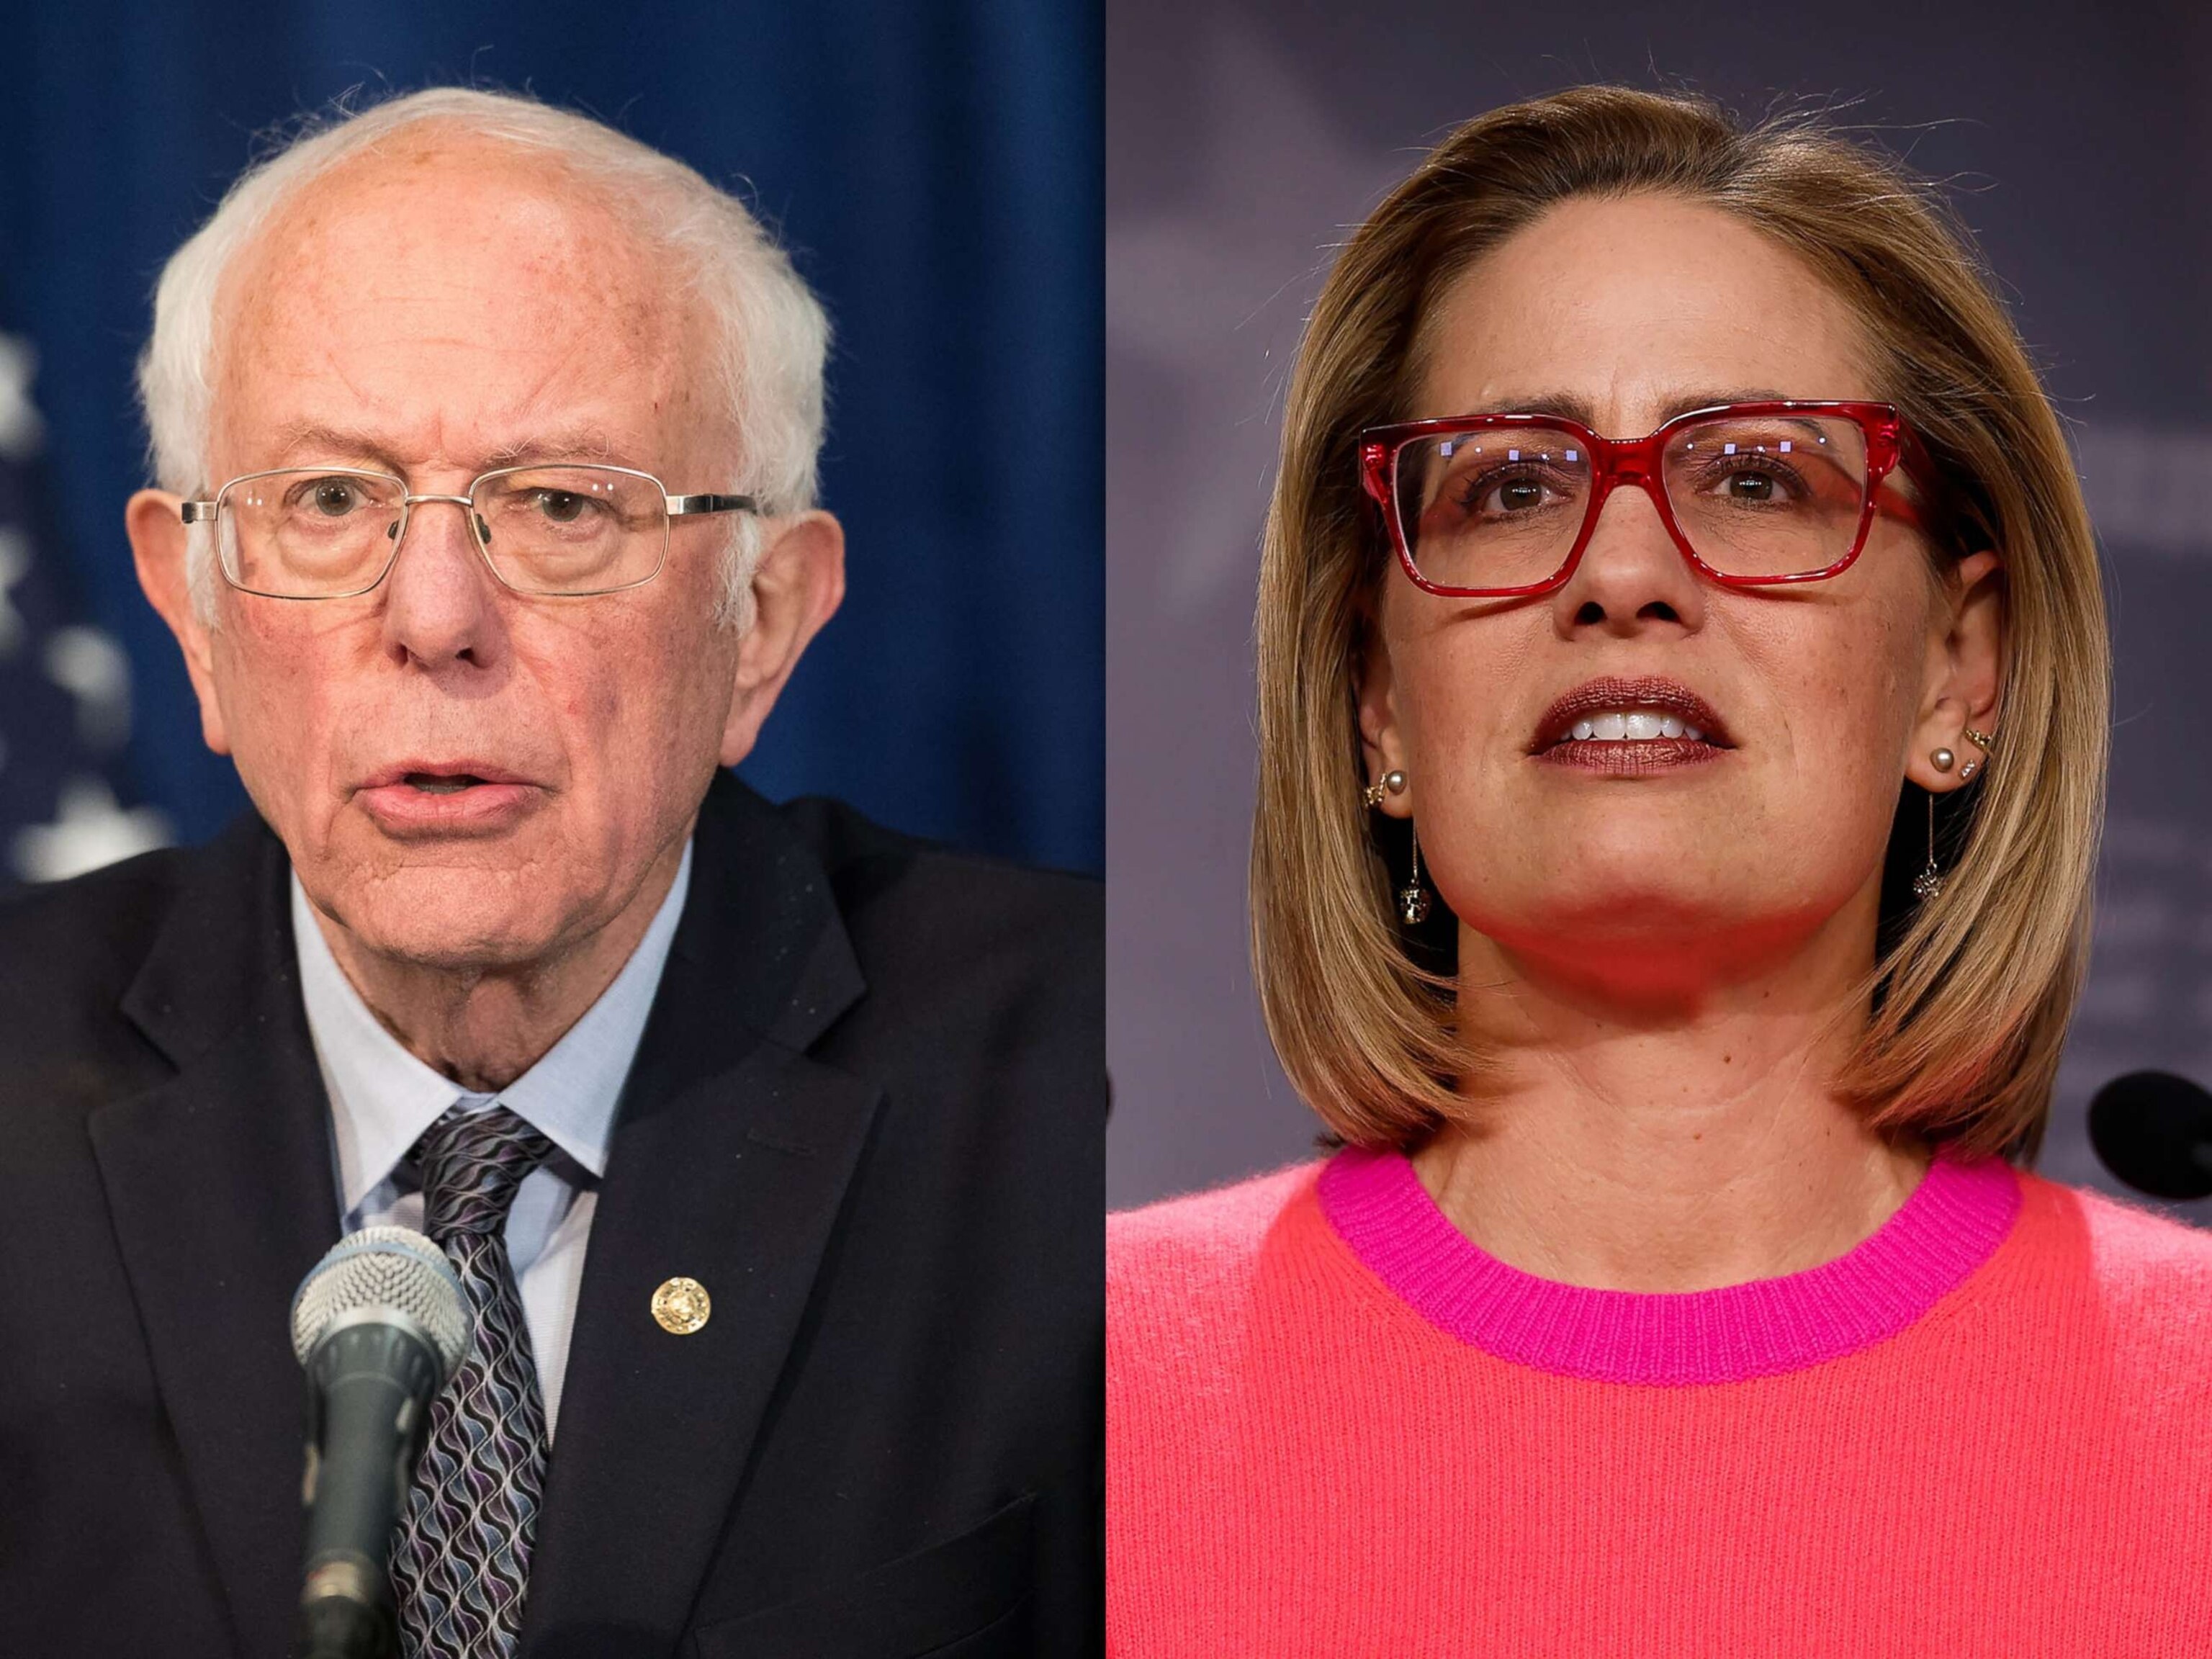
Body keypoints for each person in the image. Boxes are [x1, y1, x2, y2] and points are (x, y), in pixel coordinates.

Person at [1107, 86, 2212, 1651]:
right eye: (1510, 486)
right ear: (1379, 705)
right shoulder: (1057, 1399)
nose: (1624, 576)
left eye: (1757, 476)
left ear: (1960, 676)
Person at [0, 88, 1100, 1657]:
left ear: (766, 618)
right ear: (192, 612)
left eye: (564, 505)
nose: (435, 614)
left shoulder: (1089, 1103)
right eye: (330, 501)